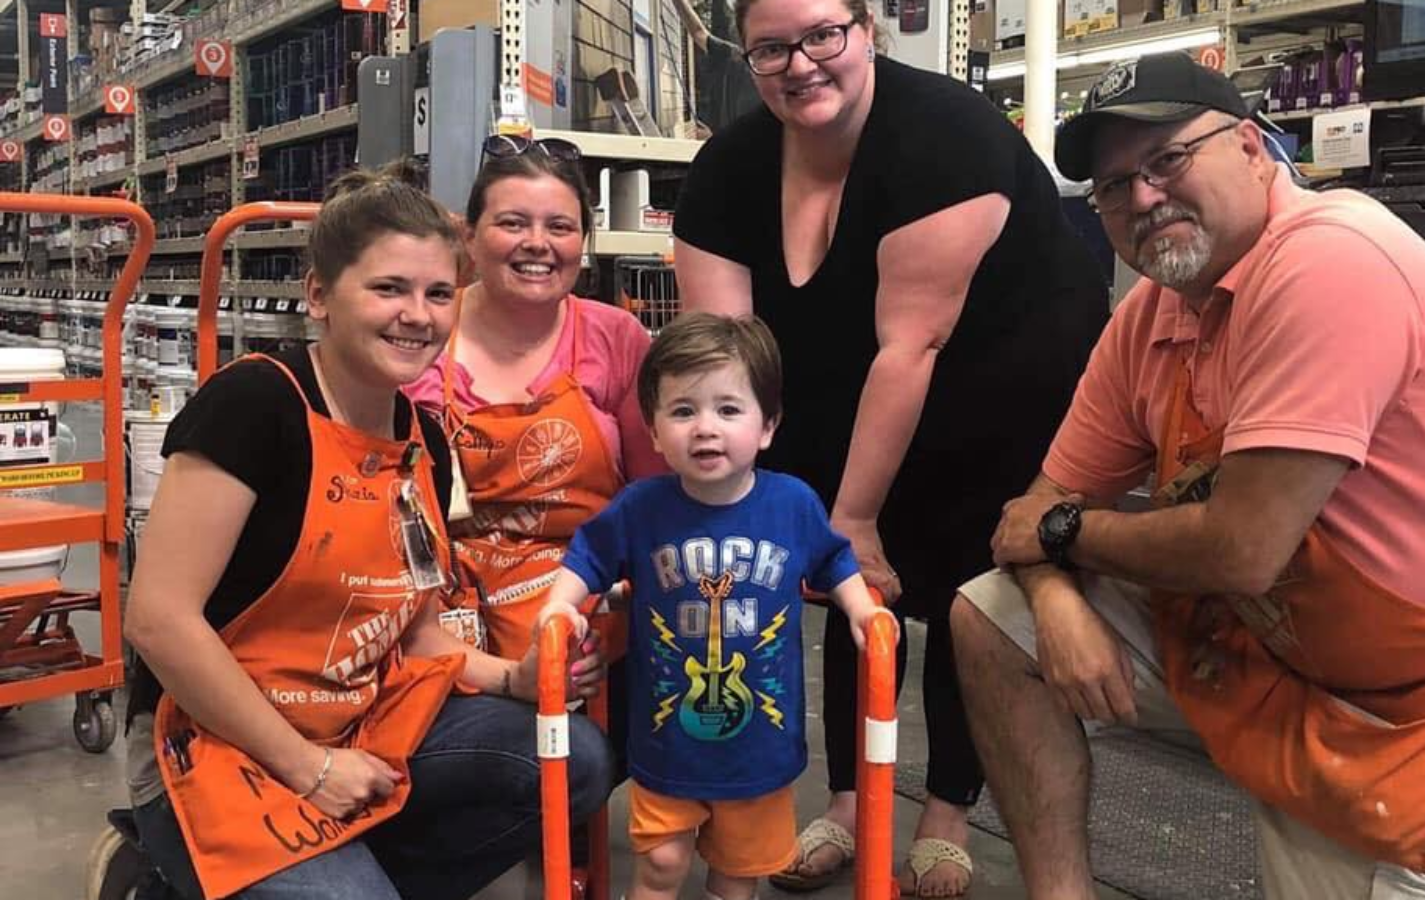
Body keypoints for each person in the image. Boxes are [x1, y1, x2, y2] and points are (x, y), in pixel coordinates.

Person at [954, 52, 1425, 900]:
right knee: (995, 617)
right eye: (1114, 186)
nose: (1143, 198)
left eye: (1167, 160)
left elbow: (1240, 548)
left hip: (1410, 700)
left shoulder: (1331, 262)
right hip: (1268, 638)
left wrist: (1062, 536)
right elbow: (1039, 507)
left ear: (1250, 148)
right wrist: (1056, 598)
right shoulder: (1153, 314)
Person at [670, 0, 1110, 894]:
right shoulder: (729, 167)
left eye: (823, 35)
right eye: (771, 48)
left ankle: (946, 809)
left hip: (999, 374)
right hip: (846, 372)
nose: (801, 64)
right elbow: (723, 358)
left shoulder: (947, 134)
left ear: (866, 30)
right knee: (845, 576)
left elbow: (913, 344)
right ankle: (848, 803)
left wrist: (858, 516)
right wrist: (765, 512)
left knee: (960, 588)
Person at [122, 161, 611, 900]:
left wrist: (514, 679)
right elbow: (158, 621)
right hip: (212, 744)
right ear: (319, 295)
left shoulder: (421, 436)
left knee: (574, 760)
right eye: (389, 289)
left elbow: (416, 635)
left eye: (438, 293)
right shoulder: (256, 406)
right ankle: (160, 875)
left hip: (358, 723)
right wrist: (308, 768)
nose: (418, 315)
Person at [535, 312, 890, 900]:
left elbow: (834, 560)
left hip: (759, 750)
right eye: (683, 411)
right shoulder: (640, 507)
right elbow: (588, 556)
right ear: (653, 431)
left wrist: (861, 611)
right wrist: (559, 606)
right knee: (662, 862)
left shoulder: (792, 503)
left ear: (767, 426)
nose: (705, 429)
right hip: (667, 742)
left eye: (728, 409)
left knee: (737, 874)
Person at [405, 134, 664, 667]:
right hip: (443, 625)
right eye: (513, 223)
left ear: (582, 242)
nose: (537, 243)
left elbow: (654, 502)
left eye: (560, 227)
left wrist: (619, 627)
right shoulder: (420, 332)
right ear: (469, 236)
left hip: (593, 620)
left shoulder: (617, 339)